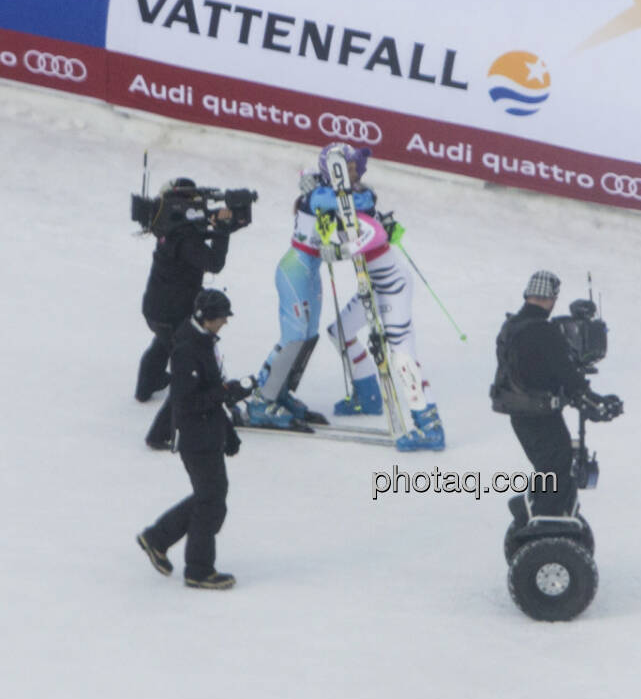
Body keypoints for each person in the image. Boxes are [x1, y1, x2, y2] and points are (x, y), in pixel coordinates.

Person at [245, 143, 444, 450]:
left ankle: (421, 420)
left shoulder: (352, 203)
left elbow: (361, 213)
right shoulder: (327, 198)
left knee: (312, 336)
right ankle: (264, 397)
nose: (354, 174)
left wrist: (343, 241)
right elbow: (334, 201)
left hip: (366, 282)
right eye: (347, 168)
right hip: (297, 270)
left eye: (354, 168)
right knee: (301, 336)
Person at [136, 288, 254, 590]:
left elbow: (209, 394)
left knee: (212, 498)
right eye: (222, 318)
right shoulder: (188, 349)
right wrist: (226, 393)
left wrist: (227, 431)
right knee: (210, 499)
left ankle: (158, 538)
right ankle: (198, 569)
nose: (225, 323)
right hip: (195, 438)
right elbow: (187, 402)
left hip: (208, 433)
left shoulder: (201, 341)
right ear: (206, 318)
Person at [491, 270, 622, 516]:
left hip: (519, 415)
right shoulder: (545, 332)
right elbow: (568, 377)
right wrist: (596, 403)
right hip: (540, 415)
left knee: (547, 468)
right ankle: (546, 525)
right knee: (558, 469)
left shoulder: (510, 326)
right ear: (552, 298)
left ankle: (533, 512)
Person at [136, 178, 233, 450]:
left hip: (155, 308)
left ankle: (146, 385)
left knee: (162, 343)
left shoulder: (169, 228)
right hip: (173, 313)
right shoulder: (187, 239)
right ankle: (159, 433)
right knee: (184, 373)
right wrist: (223, 231)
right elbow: (213, 263)